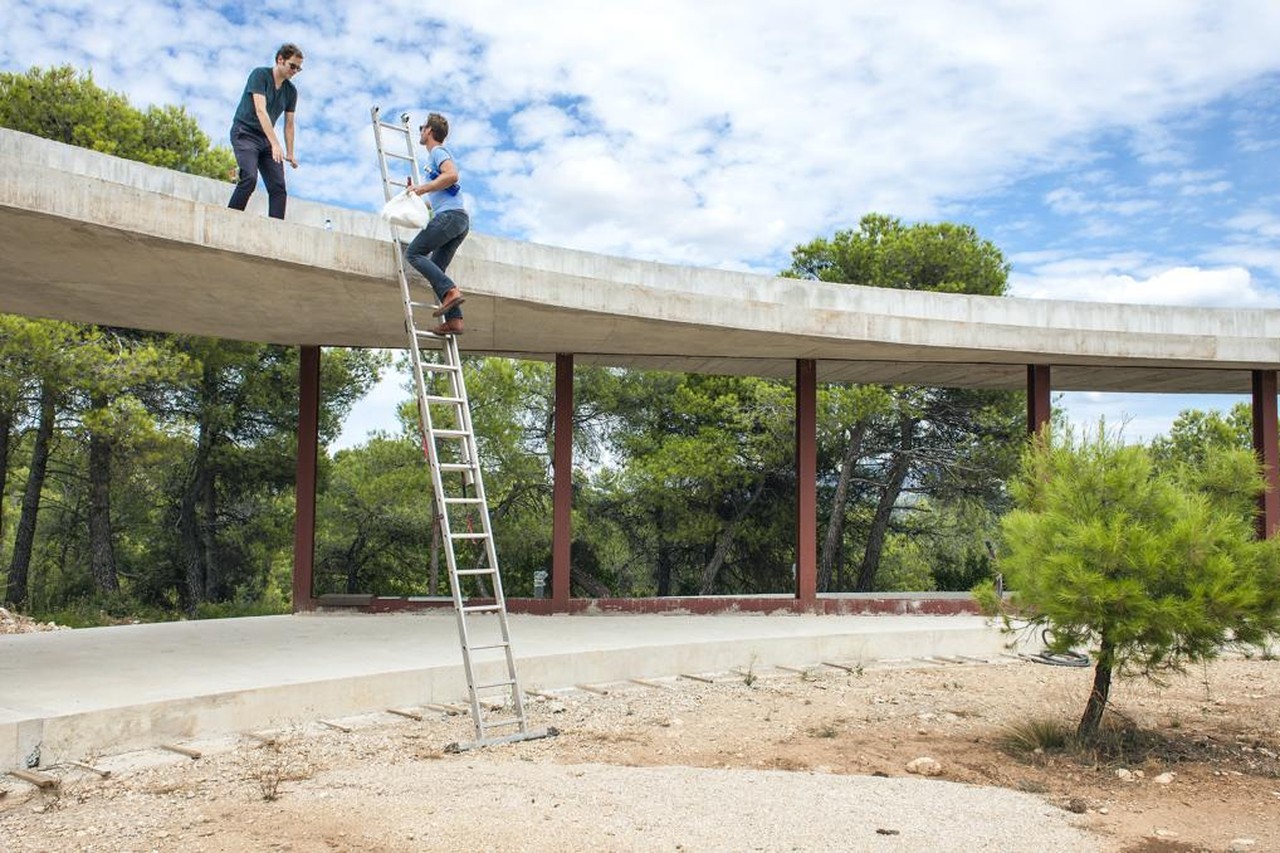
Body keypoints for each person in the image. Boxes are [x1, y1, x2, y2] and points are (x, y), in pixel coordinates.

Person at [405, 112, 469, 335]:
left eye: (422, 127)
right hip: (457, 219)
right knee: (437, 268)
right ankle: (455, 321)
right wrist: (418, 199)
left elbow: (452, 175)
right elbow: (441, 194)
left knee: (413, 253)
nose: (420, 131)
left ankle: (451, 291)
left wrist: (421, 188)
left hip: (451, 217)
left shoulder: (438, 152)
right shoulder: (434, 160)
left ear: (429, 131)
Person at [227, 44, 303, 220]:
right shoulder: (260, 75)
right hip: (245, 132)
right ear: (280, 60)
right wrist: (276, 144)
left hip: (265, 139)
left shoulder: (291, 92)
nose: (295, 71)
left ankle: (276, 231)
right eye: (292, 66)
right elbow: (261, 111)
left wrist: (290, 152)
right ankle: (229, 219)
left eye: (299, 68)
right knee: (249, 178)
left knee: (278, 187)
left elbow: (289, 124)